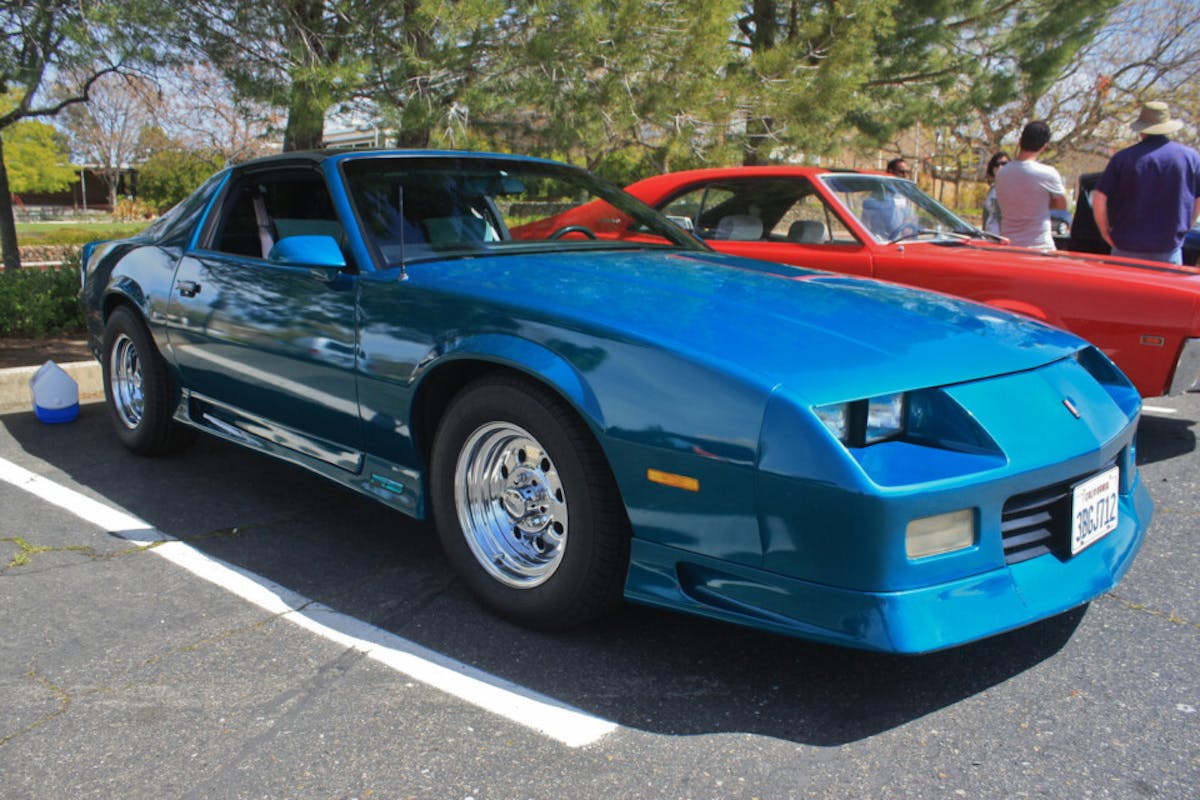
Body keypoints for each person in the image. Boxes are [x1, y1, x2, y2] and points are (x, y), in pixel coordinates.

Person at [1092, 101, 1200, 264]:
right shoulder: (1190, 158)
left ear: (1141, 130)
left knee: (1123, 290)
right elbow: (1197, 199)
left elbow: (1099, 197)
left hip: (1125, 248)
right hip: (1169, 249)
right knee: (1164, 290)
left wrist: (1105, 231)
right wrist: (1187, 227)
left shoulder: (1122, 158)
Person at [993, 121, 1067, 249]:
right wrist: (1043, 202)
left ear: (1020, 141)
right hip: (1040, 246)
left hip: (1009, 246)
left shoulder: (1001, 173)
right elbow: (1062, 205)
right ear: (1044, 146)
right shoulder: (1048, 173)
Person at [981, 152, 1009, 235]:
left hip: (1004, 237)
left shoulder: (1013, 187)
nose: (1000, 167)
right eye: (996, 165)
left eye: (1004, 164)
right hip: (990, 235)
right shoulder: (992, 189)